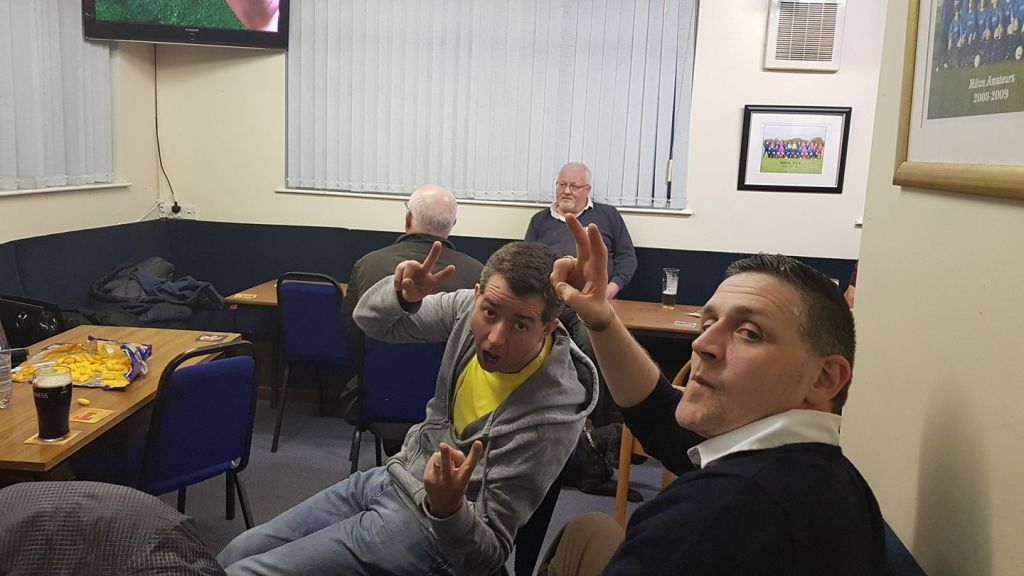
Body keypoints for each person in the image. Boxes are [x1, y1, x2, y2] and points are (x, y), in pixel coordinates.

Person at [218, 241, 599, 576]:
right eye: (490, 313)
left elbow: (489, 556)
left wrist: (448, 509)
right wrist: (401, 296)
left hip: (430, 529)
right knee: (235, 553)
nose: (495, 338)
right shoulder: (465, 309)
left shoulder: (549, 418)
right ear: (478, 296)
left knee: (246, 572)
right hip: (392, 477)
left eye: (520, 326)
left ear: (547, 329)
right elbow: (370, 322)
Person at [538, 214, 886, 575]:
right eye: (708, 324)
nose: (702, 344)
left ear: (824, 378)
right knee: (591, 530)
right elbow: (660, 417)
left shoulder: (717, 512)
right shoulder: (834, 475)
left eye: (749, 332)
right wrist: (601, 319)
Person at [339, 184, 483, 441]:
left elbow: (351, 333)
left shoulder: (367, 264)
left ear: (408, 219)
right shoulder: (477, 275)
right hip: (451, 409)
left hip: (377, 398)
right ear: (452, 225)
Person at [525, 162, 636, 427]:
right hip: (550, 302)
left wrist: (608, 290)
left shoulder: (608, 215)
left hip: (590, 303)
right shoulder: (539, 220)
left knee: (592, 344)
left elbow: (627, 259)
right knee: (531, 339)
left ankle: (589, 419)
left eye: (574, 186)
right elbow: (525, 261)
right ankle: (540, 416)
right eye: (562, 184)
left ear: (588, 189)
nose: (566, 191)